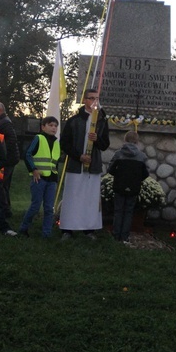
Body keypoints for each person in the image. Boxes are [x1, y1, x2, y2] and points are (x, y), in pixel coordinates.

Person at [59, 89, 110, 240]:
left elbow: (105, 145)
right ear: (85, 100)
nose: (94, 101)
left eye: (97, 98)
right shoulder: (74, 121)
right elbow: (65, 143)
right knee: (72, 197)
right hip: (76, 165)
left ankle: (89, 229)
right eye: (91, 98)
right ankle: (68, 229)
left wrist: (97, 140)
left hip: (93, 166)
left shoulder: (101, 121)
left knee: (90, 198)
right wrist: (78, 156)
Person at [19, 116, 61, 239]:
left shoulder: (57, 143)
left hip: (51, 180)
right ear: (43, 127)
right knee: (35, 206)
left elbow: (55, 162)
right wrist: (34, 169)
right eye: (51, 125)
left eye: (55, 126)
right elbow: (27, 154)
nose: (53, 128)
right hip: (39, 179)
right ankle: (23, 228)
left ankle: (46, 234)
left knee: (49, 208)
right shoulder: (39, 138)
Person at [107, 131, 149, 243]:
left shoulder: (118, 154)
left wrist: (119, 176)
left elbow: (110, 169)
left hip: (119, 186)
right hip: (134, 187)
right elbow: (146, 173)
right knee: (129, 212)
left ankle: (116, 235)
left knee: (118, 211)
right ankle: (124, 236)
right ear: (136, 141)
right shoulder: (141, 156)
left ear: (125, 140)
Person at [0, 101, 20, 219]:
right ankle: (6, 210)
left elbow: (11, 140)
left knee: (1, 185)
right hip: (11, 158)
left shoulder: (5, 123)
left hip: (8, 160)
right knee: (4, 186)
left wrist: (2, 153)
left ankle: (4, 210)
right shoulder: (5, 121)